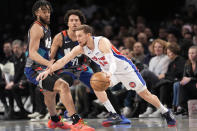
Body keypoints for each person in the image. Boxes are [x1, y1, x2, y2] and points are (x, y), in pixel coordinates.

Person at [37, 24, 176, 127]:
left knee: (145, 94)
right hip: (108, 72)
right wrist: (48, 70)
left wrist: (109, 72)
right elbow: (62, 61)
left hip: (124, 69)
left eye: (80, 36)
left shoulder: (101, 42)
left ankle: (165, 111)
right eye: (76, 36)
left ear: (88, 35)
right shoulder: (80, 48)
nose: (77, 38)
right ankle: (114, 114)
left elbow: (111, 61)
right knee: (95, 83)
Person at [50, 9, 130, 125]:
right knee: (64, 85)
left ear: (81, 23)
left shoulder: (85, 37)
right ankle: (69, 113)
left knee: (102, 85)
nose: (74, 23)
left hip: (82, 68)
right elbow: (51, 58)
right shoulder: (59, 37)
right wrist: (49, 69)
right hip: (65, 69)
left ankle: (117, 115)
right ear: (67, 23)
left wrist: (98, 74)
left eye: (76, 20)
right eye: (71, 20)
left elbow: (94, 58)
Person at [24, 1, 94, 130]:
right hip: (34, 69)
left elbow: (44, 51)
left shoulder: (45, 27)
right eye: (44, 11)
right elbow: (32, 53)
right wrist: (49, 63)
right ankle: (76, 122)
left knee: (50, 92)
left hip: (42, 67)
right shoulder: (36, 28)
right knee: (63, 86)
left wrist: (49, 61)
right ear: (36, 13)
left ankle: (54, 120)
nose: (47, 14)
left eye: (48, 11)